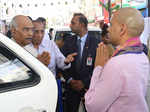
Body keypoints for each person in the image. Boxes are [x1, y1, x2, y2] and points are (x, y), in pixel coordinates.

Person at [85, 7, 149, 112]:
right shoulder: (142, 55)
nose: (108, 29)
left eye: (111, 24)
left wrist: (98, 68)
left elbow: (92, 106)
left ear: (122, 29)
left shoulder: (118, 63)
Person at [61, 13, 99, 112]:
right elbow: (61, 62)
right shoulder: (68, 41)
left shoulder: (96, 43)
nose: (70, 25)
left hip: (89, 90)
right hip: (71, 89)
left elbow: (98, 67)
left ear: (82, 25)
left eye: (73, 23)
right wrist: (70, 80)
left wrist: (84, 82)